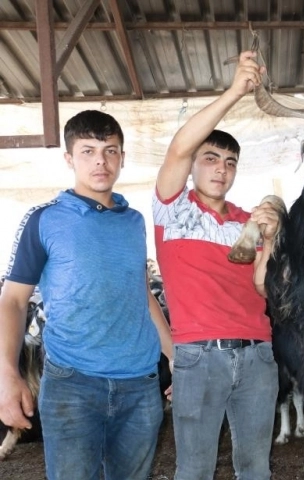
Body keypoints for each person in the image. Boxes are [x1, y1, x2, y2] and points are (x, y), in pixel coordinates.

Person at [0, 110, 172, 479]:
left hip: (140, 386)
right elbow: (13, 300)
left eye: (110, 150)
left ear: (122, 158)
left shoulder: (134, 221)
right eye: (88, 150)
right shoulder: (44, 219)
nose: (100, 160)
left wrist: (174, 356)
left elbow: (142, 292)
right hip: (72, 385)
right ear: (69, 158)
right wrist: (7, 375)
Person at [153, 50, 279, 479]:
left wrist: (272, 239)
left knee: (256, 469)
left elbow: (264, 288)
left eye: (229, 163)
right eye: (210, 159)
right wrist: (234, 93)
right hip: (199, 355)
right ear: (192, 166)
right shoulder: (172, 210)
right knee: (194, 470)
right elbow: (178, 147)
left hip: (258, 355)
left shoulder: (248, 222)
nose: (221, 170)